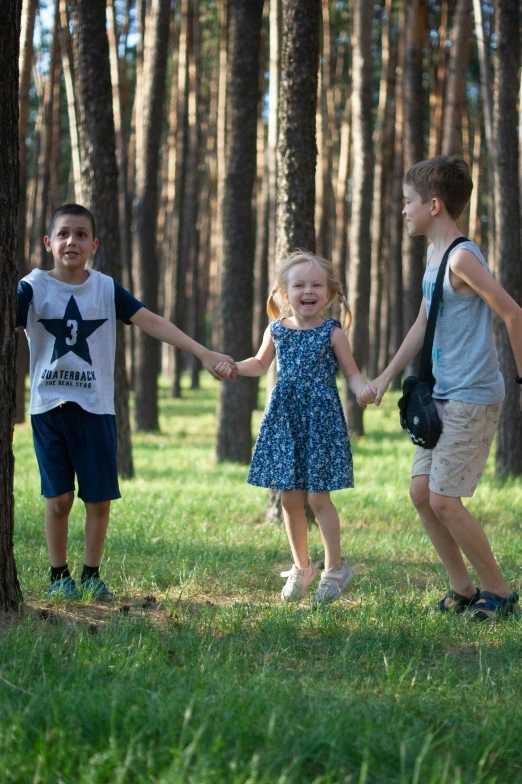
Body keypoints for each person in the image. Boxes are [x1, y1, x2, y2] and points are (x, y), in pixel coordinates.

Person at [17, 203, 236, 601]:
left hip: (96, 408)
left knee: (98, 498)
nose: (72, 241)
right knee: (59, 498)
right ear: (48, 242)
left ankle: (92, 574)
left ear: (94, 244)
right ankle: (57, 574)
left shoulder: (104, 287)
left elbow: (151, 320)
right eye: (64, 233)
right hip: (48, 409)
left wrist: (202, 352)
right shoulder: (32, 286)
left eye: (81, 234)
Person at [360, 155, 522, 620]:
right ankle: (463, 588)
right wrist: (386, 376)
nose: (402, 210)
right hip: (443, 394)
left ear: (434, 205)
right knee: (420, 492)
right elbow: (424, 321)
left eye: (408, 201)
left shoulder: (463, 257)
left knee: (444, 500)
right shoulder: (435, 257)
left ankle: (501, 593)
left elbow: (511, 313)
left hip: (472, 394)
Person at [216, 251, 373, 606]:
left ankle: (335, 569)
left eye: (316, 284)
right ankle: (302, 567)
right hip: (285, 420)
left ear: (329, 294)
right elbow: (258, 364)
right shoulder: (277, 330)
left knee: (318, 497)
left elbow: (351, 372)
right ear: (285, 293)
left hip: (320, 422)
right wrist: (233, 367)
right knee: (289, 498)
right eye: (299, 284)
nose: (308, 290)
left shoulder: (332, 332)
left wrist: (363, 389)